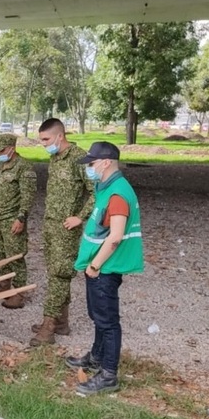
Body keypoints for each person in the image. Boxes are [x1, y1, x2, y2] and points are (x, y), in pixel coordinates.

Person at [67, 142, 144, 394]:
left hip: (104, 268)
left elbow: (115, 236)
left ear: (106, 162)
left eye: (92, 163)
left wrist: (95, 265)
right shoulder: (107, 187)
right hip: (99, 267)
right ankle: (96, 357)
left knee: (108, 322)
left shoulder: (118, 194)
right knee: (98, 316)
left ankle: (109, 375)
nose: (89, 168)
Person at [30, 118, 95, 347]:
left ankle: (48, 327)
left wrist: (81, 217)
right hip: (51, 225)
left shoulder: (80, 158)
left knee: (60, 274)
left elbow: (96, 191)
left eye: (46, 139)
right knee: (54, 273)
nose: (43, 144)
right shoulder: (55, 158)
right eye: (41, 140)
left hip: (67, 229)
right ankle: (61, 322)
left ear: (60, 136)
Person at [0, 133, 37, 309]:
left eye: (2, 150)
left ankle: (19, 292)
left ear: (12, 149)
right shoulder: (1, 165)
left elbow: (28, 196)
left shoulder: (24, 167)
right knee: (0, 253)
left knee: (15, 255)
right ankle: (4, 284)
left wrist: (21, 218)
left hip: (13, 218)